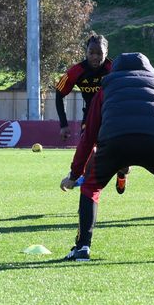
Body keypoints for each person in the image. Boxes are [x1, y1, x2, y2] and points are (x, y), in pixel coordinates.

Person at [59, 52, 154, 262]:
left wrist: (74, 174)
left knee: (90, 188)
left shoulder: (105, 89)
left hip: (115, 141)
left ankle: (82, 249)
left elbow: (88, 136)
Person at [55, 34, 128, 193]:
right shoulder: (77, 71)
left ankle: (121, 175)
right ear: (86, 52)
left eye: (99, 53)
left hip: (112, 116)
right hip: (90, 116)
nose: (95, 57)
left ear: (106, 52)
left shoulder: (114, 68)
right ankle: (86, 193)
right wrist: (63, 124)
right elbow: (59, 93)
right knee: (88, 151)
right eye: (91, 52)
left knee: (123, 162)